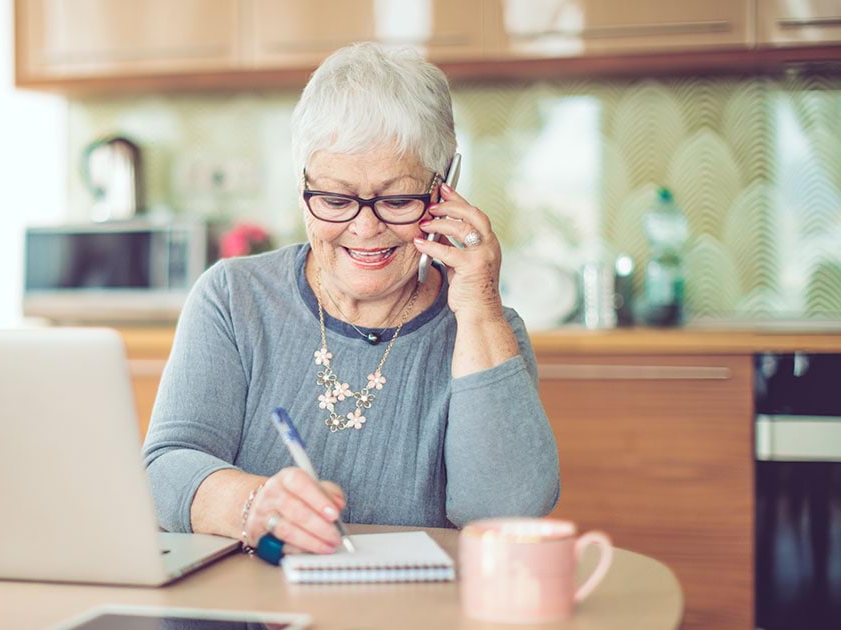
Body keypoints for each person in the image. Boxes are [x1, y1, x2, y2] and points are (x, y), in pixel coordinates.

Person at [142, 42, 559, 556]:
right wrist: (253, 504)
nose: (364, 228)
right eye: (336, 200)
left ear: (445, 187)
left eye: (398, 199)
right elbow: (163, 466)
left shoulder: (488, 329)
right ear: (303, 191)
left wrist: (477, 309)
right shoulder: (233, 297)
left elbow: (506, 514)